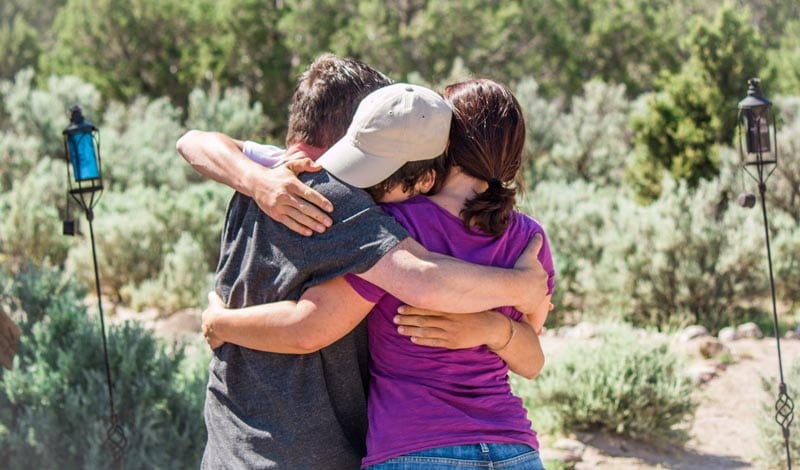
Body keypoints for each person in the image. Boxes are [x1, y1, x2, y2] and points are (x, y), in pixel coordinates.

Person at [176, 56, 549, 469]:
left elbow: (193, 140)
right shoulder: (524, 236)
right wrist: (519, 291)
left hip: (243, 444)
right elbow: (524, 354)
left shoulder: (279, 171)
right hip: (498, 445)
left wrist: (255, 182)